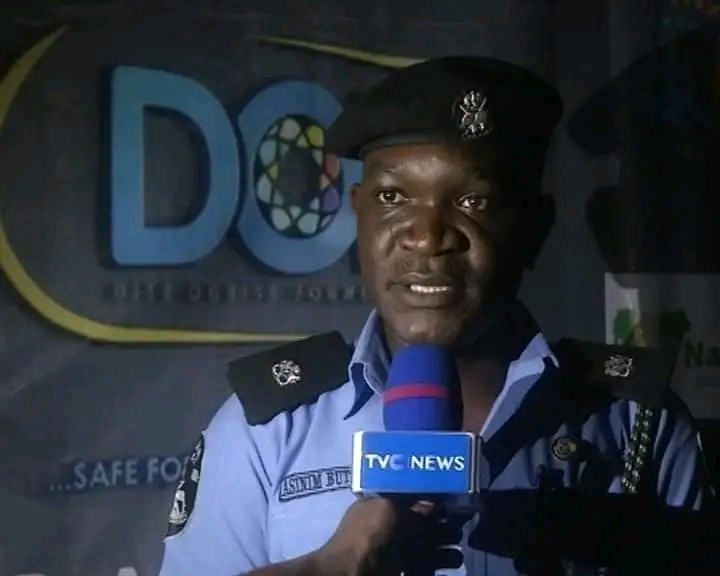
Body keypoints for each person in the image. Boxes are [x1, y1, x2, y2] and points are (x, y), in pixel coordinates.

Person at [157, 56, 713, 576]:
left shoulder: (637, 424)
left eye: (474, 202)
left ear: (535, 229)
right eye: (393, 198)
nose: (427, 236)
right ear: (357, 215)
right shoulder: (269, 429)